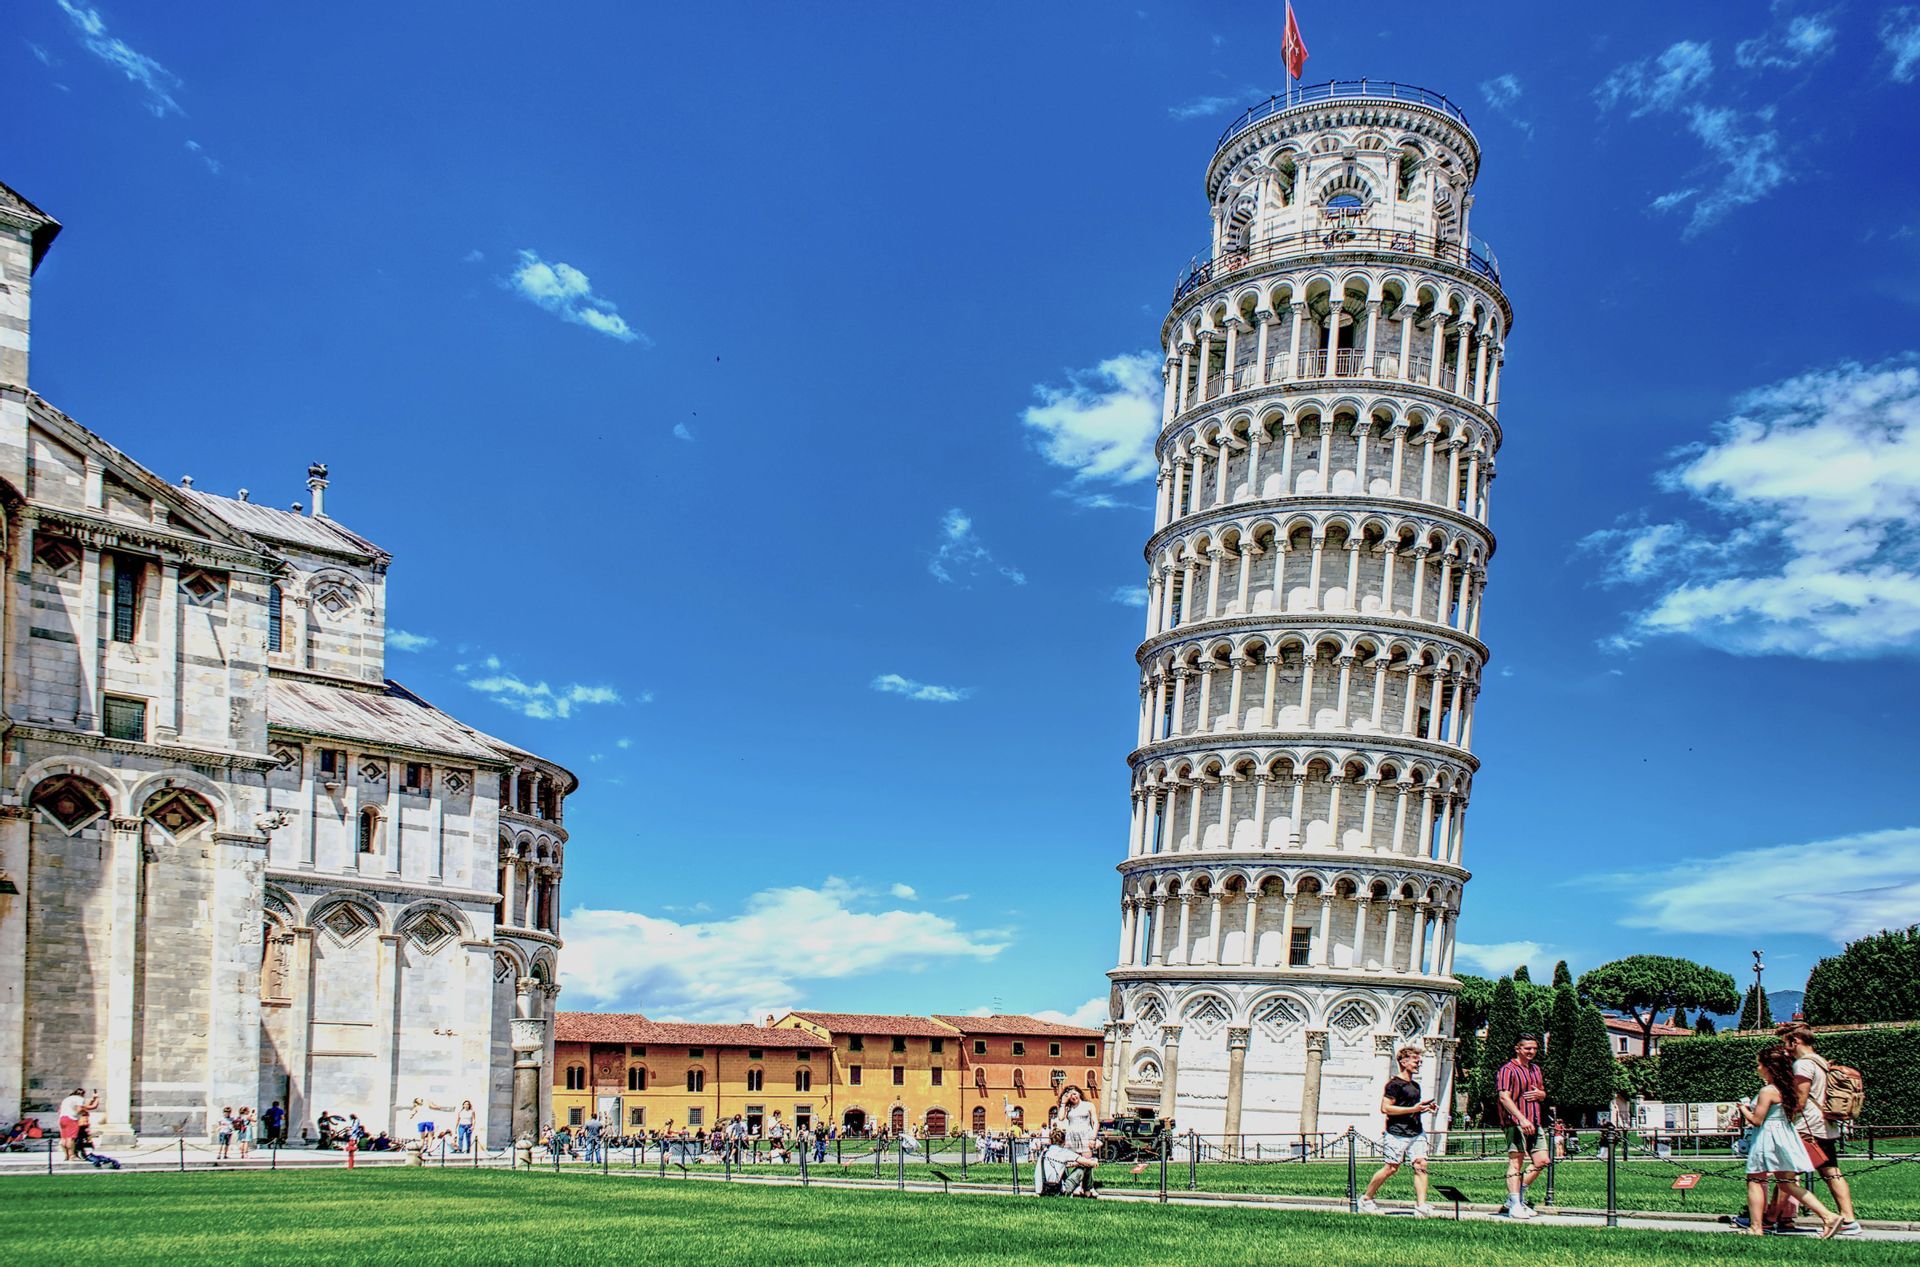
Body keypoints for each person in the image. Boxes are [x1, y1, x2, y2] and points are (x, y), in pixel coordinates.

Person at [1733, 1044, 1843, 1239]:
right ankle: (1828, 1216)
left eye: (1759, 1064)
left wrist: (1742, 1109)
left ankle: (1756, 1227)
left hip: (1768, 1137)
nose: (1757, 1068)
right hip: (1785, 1136)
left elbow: (1757, 1120)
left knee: (1755, 1179)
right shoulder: (1788, 1089)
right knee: (1787, 1183)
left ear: (1769, 1067)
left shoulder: (1767, 1091)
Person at [1770, 1022, 1861, 1237]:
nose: (1785, 1048)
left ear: (1795, 1041)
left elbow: (1799, 1100)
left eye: (1786, 1042)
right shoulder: (1822, 1062)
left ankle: (1771, 1218)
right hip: (1826, 1126)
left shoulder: (1802, 1065)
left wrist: (1784, 1119)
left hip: (1807, 1127)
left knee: (1786, 1175)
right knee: (1831, 1173)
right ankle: (1849, 1219)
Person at [1359, 1045, 1437, 1217]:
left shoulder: (1415, 1086)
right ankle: (1366, 1199)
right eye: (1415, 1060)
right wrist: (1413, 1109)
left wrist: (1425, 1107)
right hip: (1396, 1132)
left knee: (1421, 1165)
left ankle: (1421, 1205)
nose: (1419, 1063)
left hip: (1416, 1131)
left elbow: (1412, 1107)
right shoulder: (1393, 1085)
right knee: (1391, 1168)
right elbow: (1385, 1108)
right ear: (1403, 1061)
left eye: (1419, 1060)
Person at [1495, 1034, 1550, 1219]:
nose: (1532, 1052)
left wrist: (1542, 1095)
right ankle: (1515, 1203)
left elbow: (1541, 1092)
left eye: (1534, 1048)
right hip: (1515, 1122)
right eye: (1528, 1048)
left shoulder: (1535, 1069)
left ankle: (1517, 1196)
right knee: (1516, 1162)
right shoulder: (1507, 1070)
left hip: (1535, 1120)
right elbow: (1504, 1097)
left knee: (1542, 1160)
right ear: (1517, 1049)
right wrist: (1521, 1119)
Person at [1032, 1127, 1095, 1197]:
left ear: (1051, 1141)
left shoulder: (1044, 1153)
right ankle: (1087, 1192)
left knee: (1064, 1167)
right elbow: (1086, 1161)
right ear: (1064, 1141)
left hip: (1042, 1190)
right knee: (1086, 1166)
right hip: (1058, 1191)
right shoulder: (1064, 1152)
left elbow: (1058, 1163)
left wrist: (1072, 1164)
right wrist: (1094, 1162)